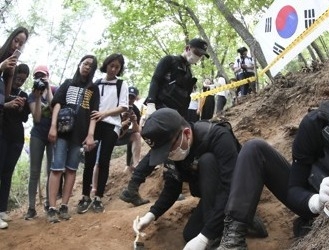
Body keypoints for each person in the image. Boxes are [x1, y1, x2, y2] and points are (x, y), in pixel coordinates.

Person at [217, 57, 329, 249]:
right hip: (310, 198)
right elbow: (294, 188)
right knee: (254, 149)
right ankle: (233, 239)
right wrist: (315, 201)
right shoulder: (314, 125)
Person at [132, 108, 242, 249]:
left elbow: (232, 187)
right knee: (190, 235)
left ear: (187, 133)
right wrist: (151, 215)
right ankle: (223, 224)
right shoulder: (175, 151)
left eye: (168, 149)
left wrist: (206, 236)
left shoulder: (218, 137)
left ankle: (238, 220)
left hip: (235, 191)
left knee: (207, 161)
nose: (168, 155)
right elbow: (172, 188)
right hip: (211, 197)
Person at [120, 38, 209, 206]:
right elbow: (155, 79)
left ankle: (133, 188)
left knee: (166, 148)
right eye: (197, 53)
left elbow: (183, 99)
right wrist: (152, 104)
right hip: (161, 111)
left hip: (175, 117)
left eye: (201, 55)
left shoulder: (188, 72)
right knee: (167, 148)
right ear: (187, 48)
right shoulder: (170, 61)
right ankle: (165, 188)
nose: (198, 57)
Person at [47, 55, 100, 223]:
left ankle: (64, 206)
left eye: (91, 66)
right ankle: (52, 207)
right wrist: (53, 126)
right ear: (79, 64)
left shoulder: (93, 89)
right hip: (63, 132)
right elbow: (57, 104)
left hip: (80, 135)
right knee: (57, 168)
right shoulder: (68, 83)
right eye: (85, 63)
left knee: (71, 169)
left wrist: (91, 134)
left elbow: (94, 113)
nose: (87, 67)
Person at [77, 53, 129, 214]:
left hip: (112, 126)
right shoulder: (96, 84)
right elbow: (89, 105)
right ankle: (85, 196)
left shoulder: (122, 84)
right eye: (111, 65)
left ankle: (98, 197)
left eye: (117, 67)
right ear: (106, 65)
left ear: (120, 69)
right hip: (94, 125)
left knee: (104, 160)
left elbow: (123, 106)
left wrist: (104, 114)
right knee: (89, 160)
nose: (113, 69)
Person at [0, 27, 28, 229]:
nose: (17, 46)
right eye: (15, 41)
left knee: (5, 170)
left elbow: (5, 95)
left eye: (21, 44)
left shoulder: (9, 66)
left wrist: (9, 74)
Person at [24, 65, 56, 220]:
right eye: (37, 76)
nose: (40, 78)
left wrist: (48, 88)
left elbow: (53, 106)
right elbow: (36, 118)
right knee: (34, 172)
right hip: (37, 135)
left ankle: (50, 204)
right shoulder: (32, 96)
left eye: (42, 76)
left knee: (51, 170)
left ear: (48, 76)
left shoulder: (55, 90)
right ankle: (31, 207)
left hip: (52, 135)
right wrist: (37, 97)